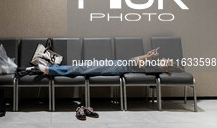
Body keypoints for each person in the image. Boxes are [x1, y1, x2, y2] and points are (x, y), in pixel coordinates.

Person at [38, 48, 179, 76]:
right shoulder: (153, 66)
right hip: (117, 64)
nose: (164, 58)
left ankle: (51, 70)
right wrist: (147, 56)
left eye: (167, 61)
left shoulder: (154, 69)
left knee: (82, 68)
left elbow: (135, 62)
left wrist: (147, 58)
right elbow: (135, 61)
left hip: (117, 68)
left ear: (167, 66)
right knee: (83, 67)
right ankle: (52, 68)